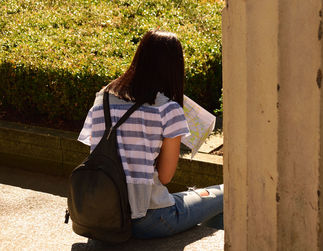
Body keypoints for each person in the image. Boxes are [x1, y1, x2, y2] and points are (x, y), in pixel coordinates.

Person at [77, 29, 223, 239]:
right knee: (227, 194)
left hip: (99, 215)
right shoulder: (168, 109)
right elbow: (165, 177)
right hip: (148, 219)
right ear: (174, 68)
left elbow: (96, 146)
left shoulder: (103, 98)